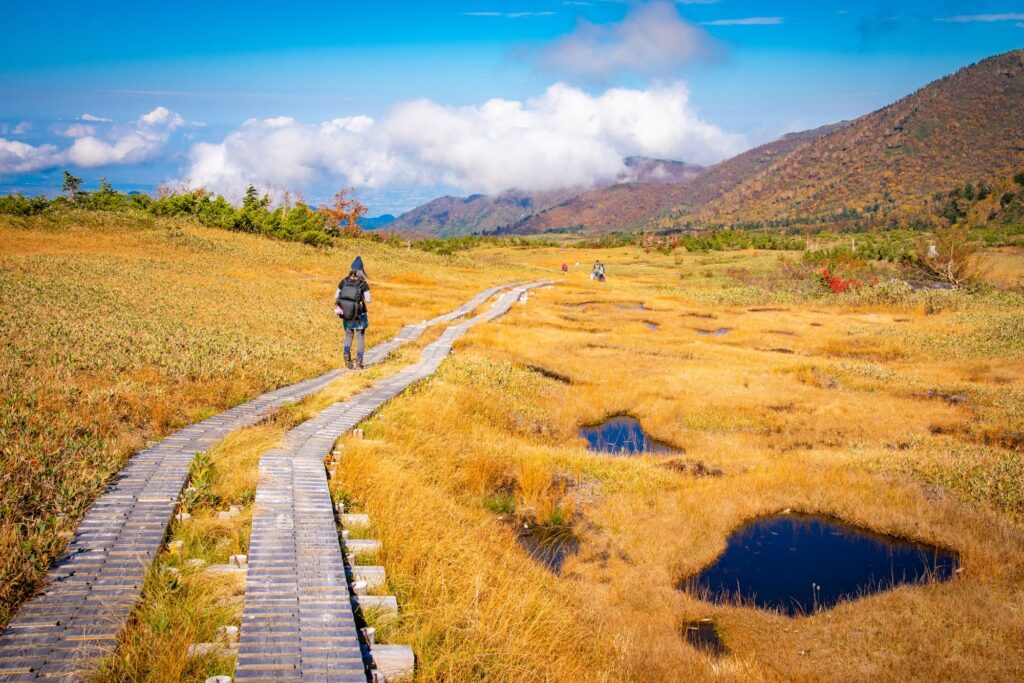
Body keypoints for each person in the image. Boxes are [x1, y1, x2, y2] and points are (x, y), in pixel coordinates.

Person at [334, 256, 371, 369]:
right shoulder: (363, 284)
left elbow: (336, 296)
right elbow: (368, 300)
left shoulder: (344, 282)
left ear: (351, 269)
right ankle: (359, 361)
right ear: (361, 271)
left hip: (347, 314)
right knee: (360, 337)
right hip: (360, 315)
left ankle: (346, 354)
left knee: (348, 335)